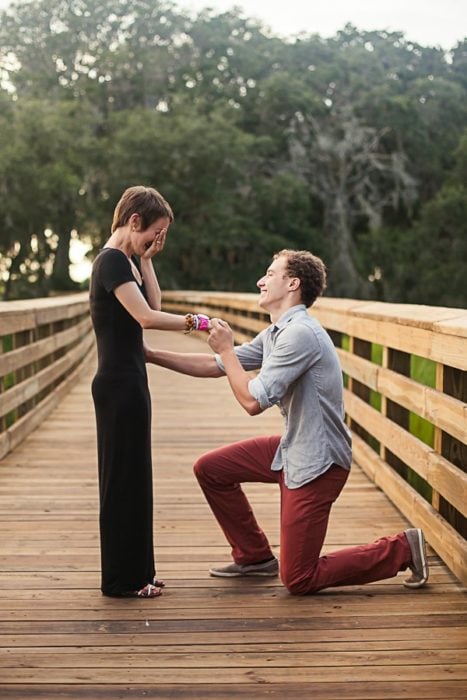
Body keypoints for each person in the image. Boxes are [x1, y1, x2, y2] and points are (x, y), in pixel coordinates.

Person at [146, 249, 429, 594]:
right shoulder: (279, 332)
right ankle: (254, 557)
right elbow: (215, 366)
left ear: (292, 283)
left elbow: (251, 400)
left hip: (318, 463)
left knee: (299, 578)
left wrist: (225, 350)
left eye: (269, 273)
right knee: (211, 469)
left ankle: (402, 548)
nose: (260, 281)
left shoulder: (300, 335)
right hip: (292, 448)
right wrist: (149, 355)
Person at [89, 185, 210, 598]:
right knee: (122, 480)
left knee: (137, 479)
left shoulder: (127, 261)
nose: (155, 242)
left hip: (132, 380)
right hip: (118, 385)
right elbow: (146, 318)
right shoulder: (109, 262)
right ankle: (122, 581)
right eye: (152, 234)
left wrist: (147, 259)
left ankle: (141, 570)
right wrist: (199, 324)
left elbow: (152, 303)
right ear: (134, 221)